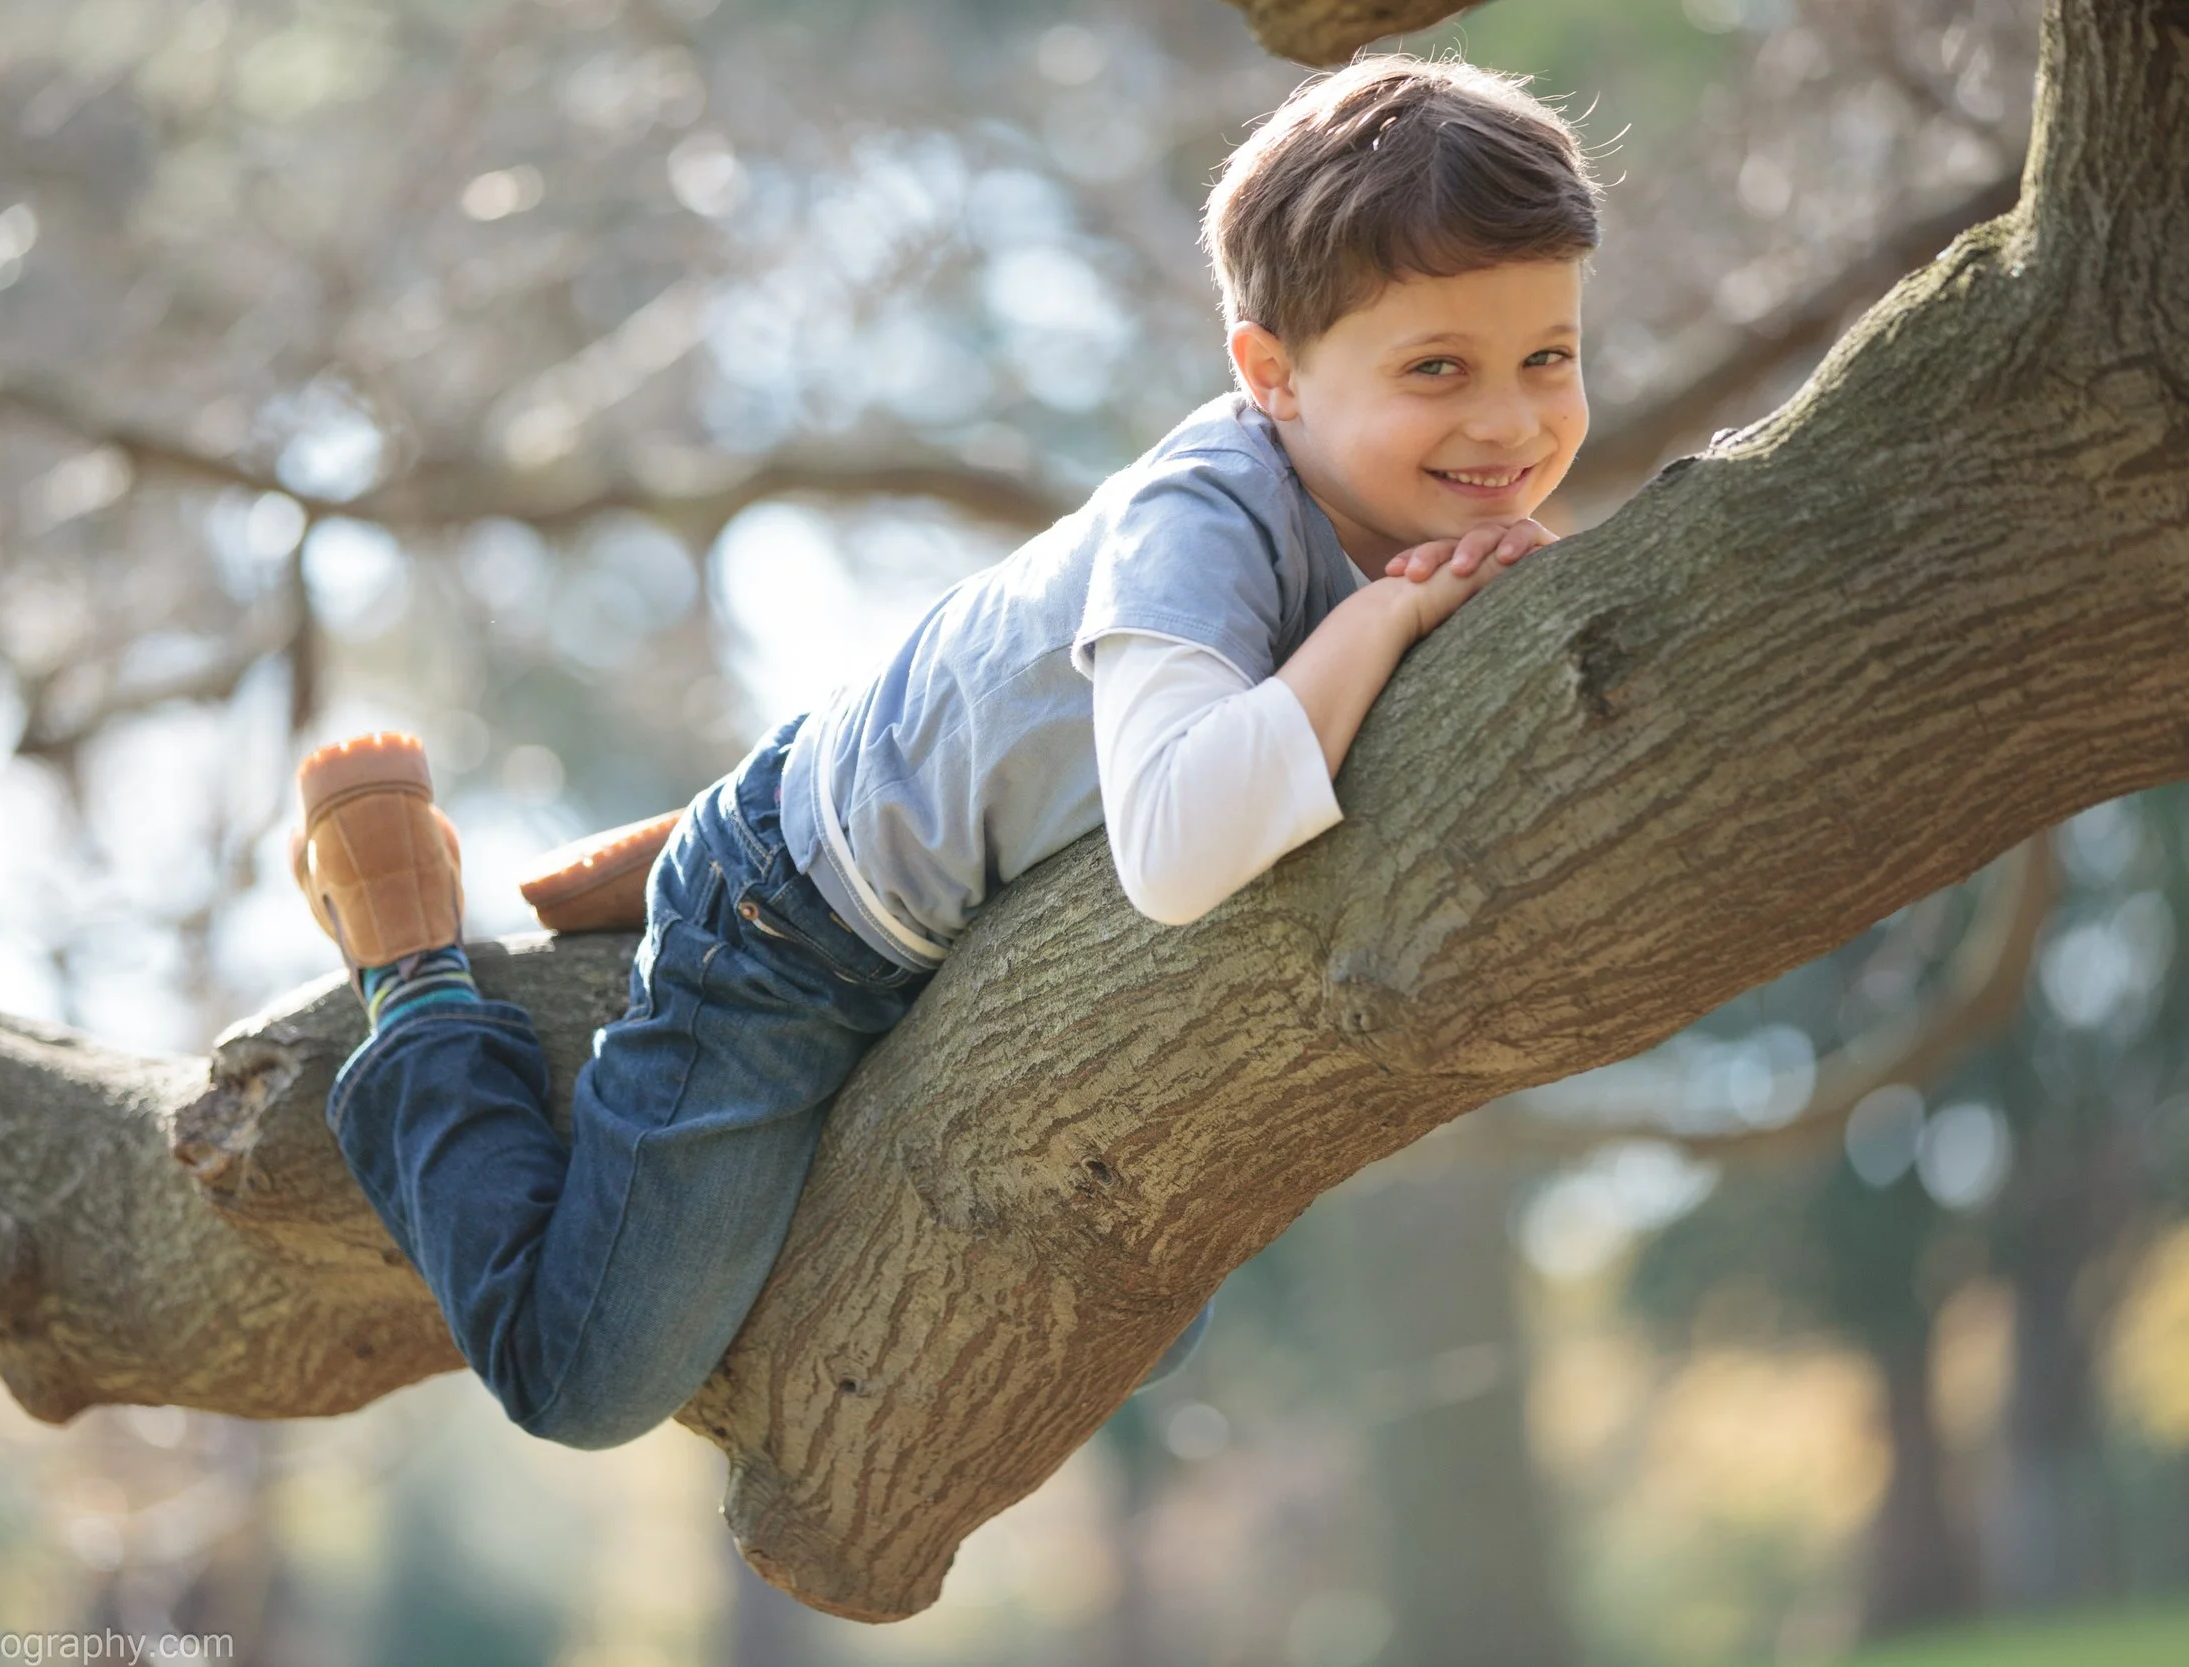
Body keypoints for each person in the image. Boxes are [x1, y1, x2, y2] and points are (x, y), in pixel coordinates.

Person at [290, 53, 1599, 1450]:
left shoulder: (1408, 509)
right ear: (1270, 375)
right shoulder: (1204, 520)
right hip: (791, 929)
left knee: (1149, 1322)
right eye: (1437, 368)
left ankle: (738, 823)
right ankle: (418, 986)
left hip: (963, 878)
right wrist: (1392, 613)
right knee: (591, 1381)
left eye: (1550, 357)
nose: (1509, 420)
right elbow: (1174, 851)